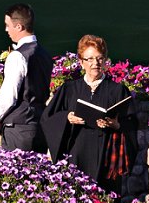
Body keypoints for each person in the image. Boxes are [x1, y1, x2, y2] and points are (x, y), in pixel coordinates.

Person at [47, 35, 133, 192]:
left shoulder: (117, 90)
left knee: (105, 198)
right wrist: (67, 117)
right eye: (90, 59)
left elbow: (132, 122)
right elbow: (48, 118)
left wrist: (116, 124)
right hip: (76, 153)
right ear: (81, 62)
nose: (95, 64)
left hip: (106, 156)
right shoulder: (69, 89)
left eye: (100, 59)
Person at [0, 3, 50, 152]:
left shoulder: (18, 56)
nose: (6, 29)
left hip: (19, 129)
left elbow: (9, 98)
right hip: (40, 126)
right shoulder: (44, 53)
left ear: (19, 27)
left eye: (8, 25)